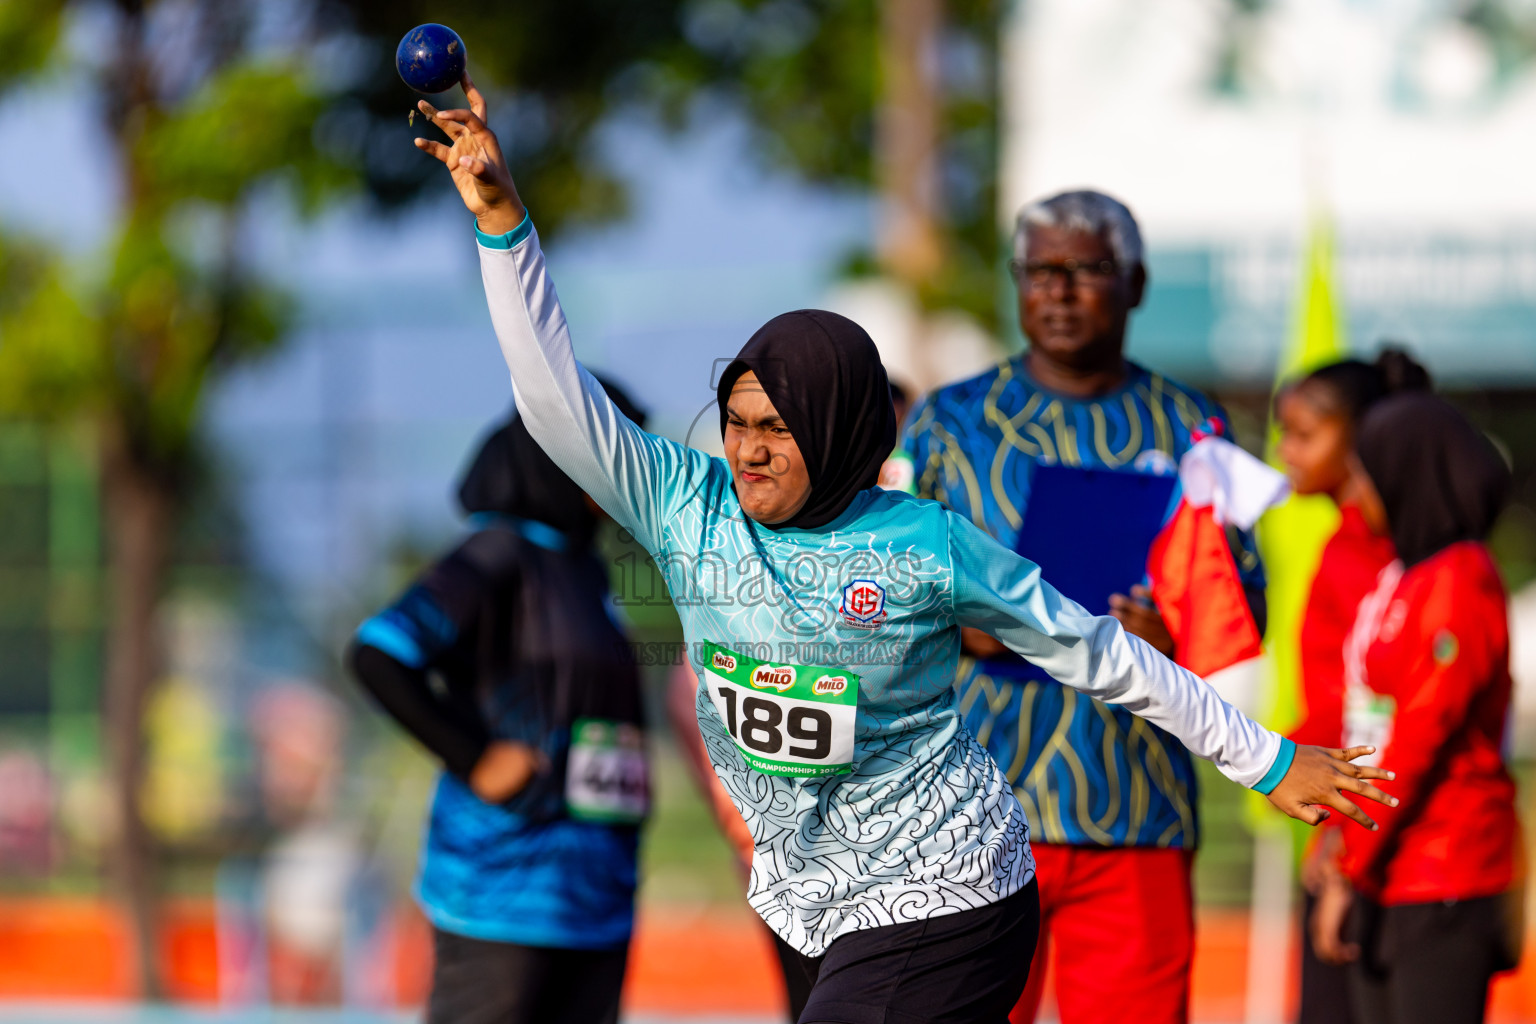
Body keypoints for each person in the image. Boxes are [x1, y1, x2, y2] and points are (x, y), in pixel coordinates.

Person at [410, 77, 1394, 1024]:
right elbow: (554, 399)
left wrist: (1266, 761)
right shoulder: (685, 504)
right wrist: (501, 220)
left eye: (780, 426)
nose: (750, 446)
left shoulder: (924, 545)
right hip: (821, 900)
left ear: (840, 431)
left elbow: (1100, 653)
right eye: (738, 419)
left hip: (947, 893)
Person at [904, 189, 1264, 1024]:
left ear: (1135, 285)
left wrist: (1169, 634)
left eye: (1087, 270)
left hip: (1135, 802)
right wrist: (957, 623)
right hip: (972, 808)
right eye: (1041, 271)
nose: (1060, 291)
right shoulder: (951, 424)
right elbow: (877, 590)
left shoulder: (1193, 426)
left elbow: (1241, 600)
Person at [347, 380, 651, 1024]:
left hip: (593, 902)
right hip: (501, 893)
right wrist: (477, 754)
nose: (633, 468)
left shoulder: (587, 569)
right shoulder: (498, 552)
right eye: (617, 447)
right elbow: (378, 653)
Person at [1310, 394, 1520, 1024]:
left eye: (1366, 476)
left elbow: (1419, 737)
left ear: (1407, 477)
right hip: (1388, 863)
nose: (1357, 493)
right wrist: (1341, 837)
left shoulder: (1461, 580)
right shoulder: (1407, 574)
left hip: (1443, 873)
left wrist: (1348, 863)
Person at [1274, 348, 1431, 1024]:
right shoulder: (1341, 544)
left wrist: (1345, 840)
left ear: (1366, 437)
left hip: (1386, 838)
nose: (1285, 451)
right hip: (1340, 822)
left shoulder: (1406, 554)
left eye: (1306, 434)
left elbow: (1395, 715)